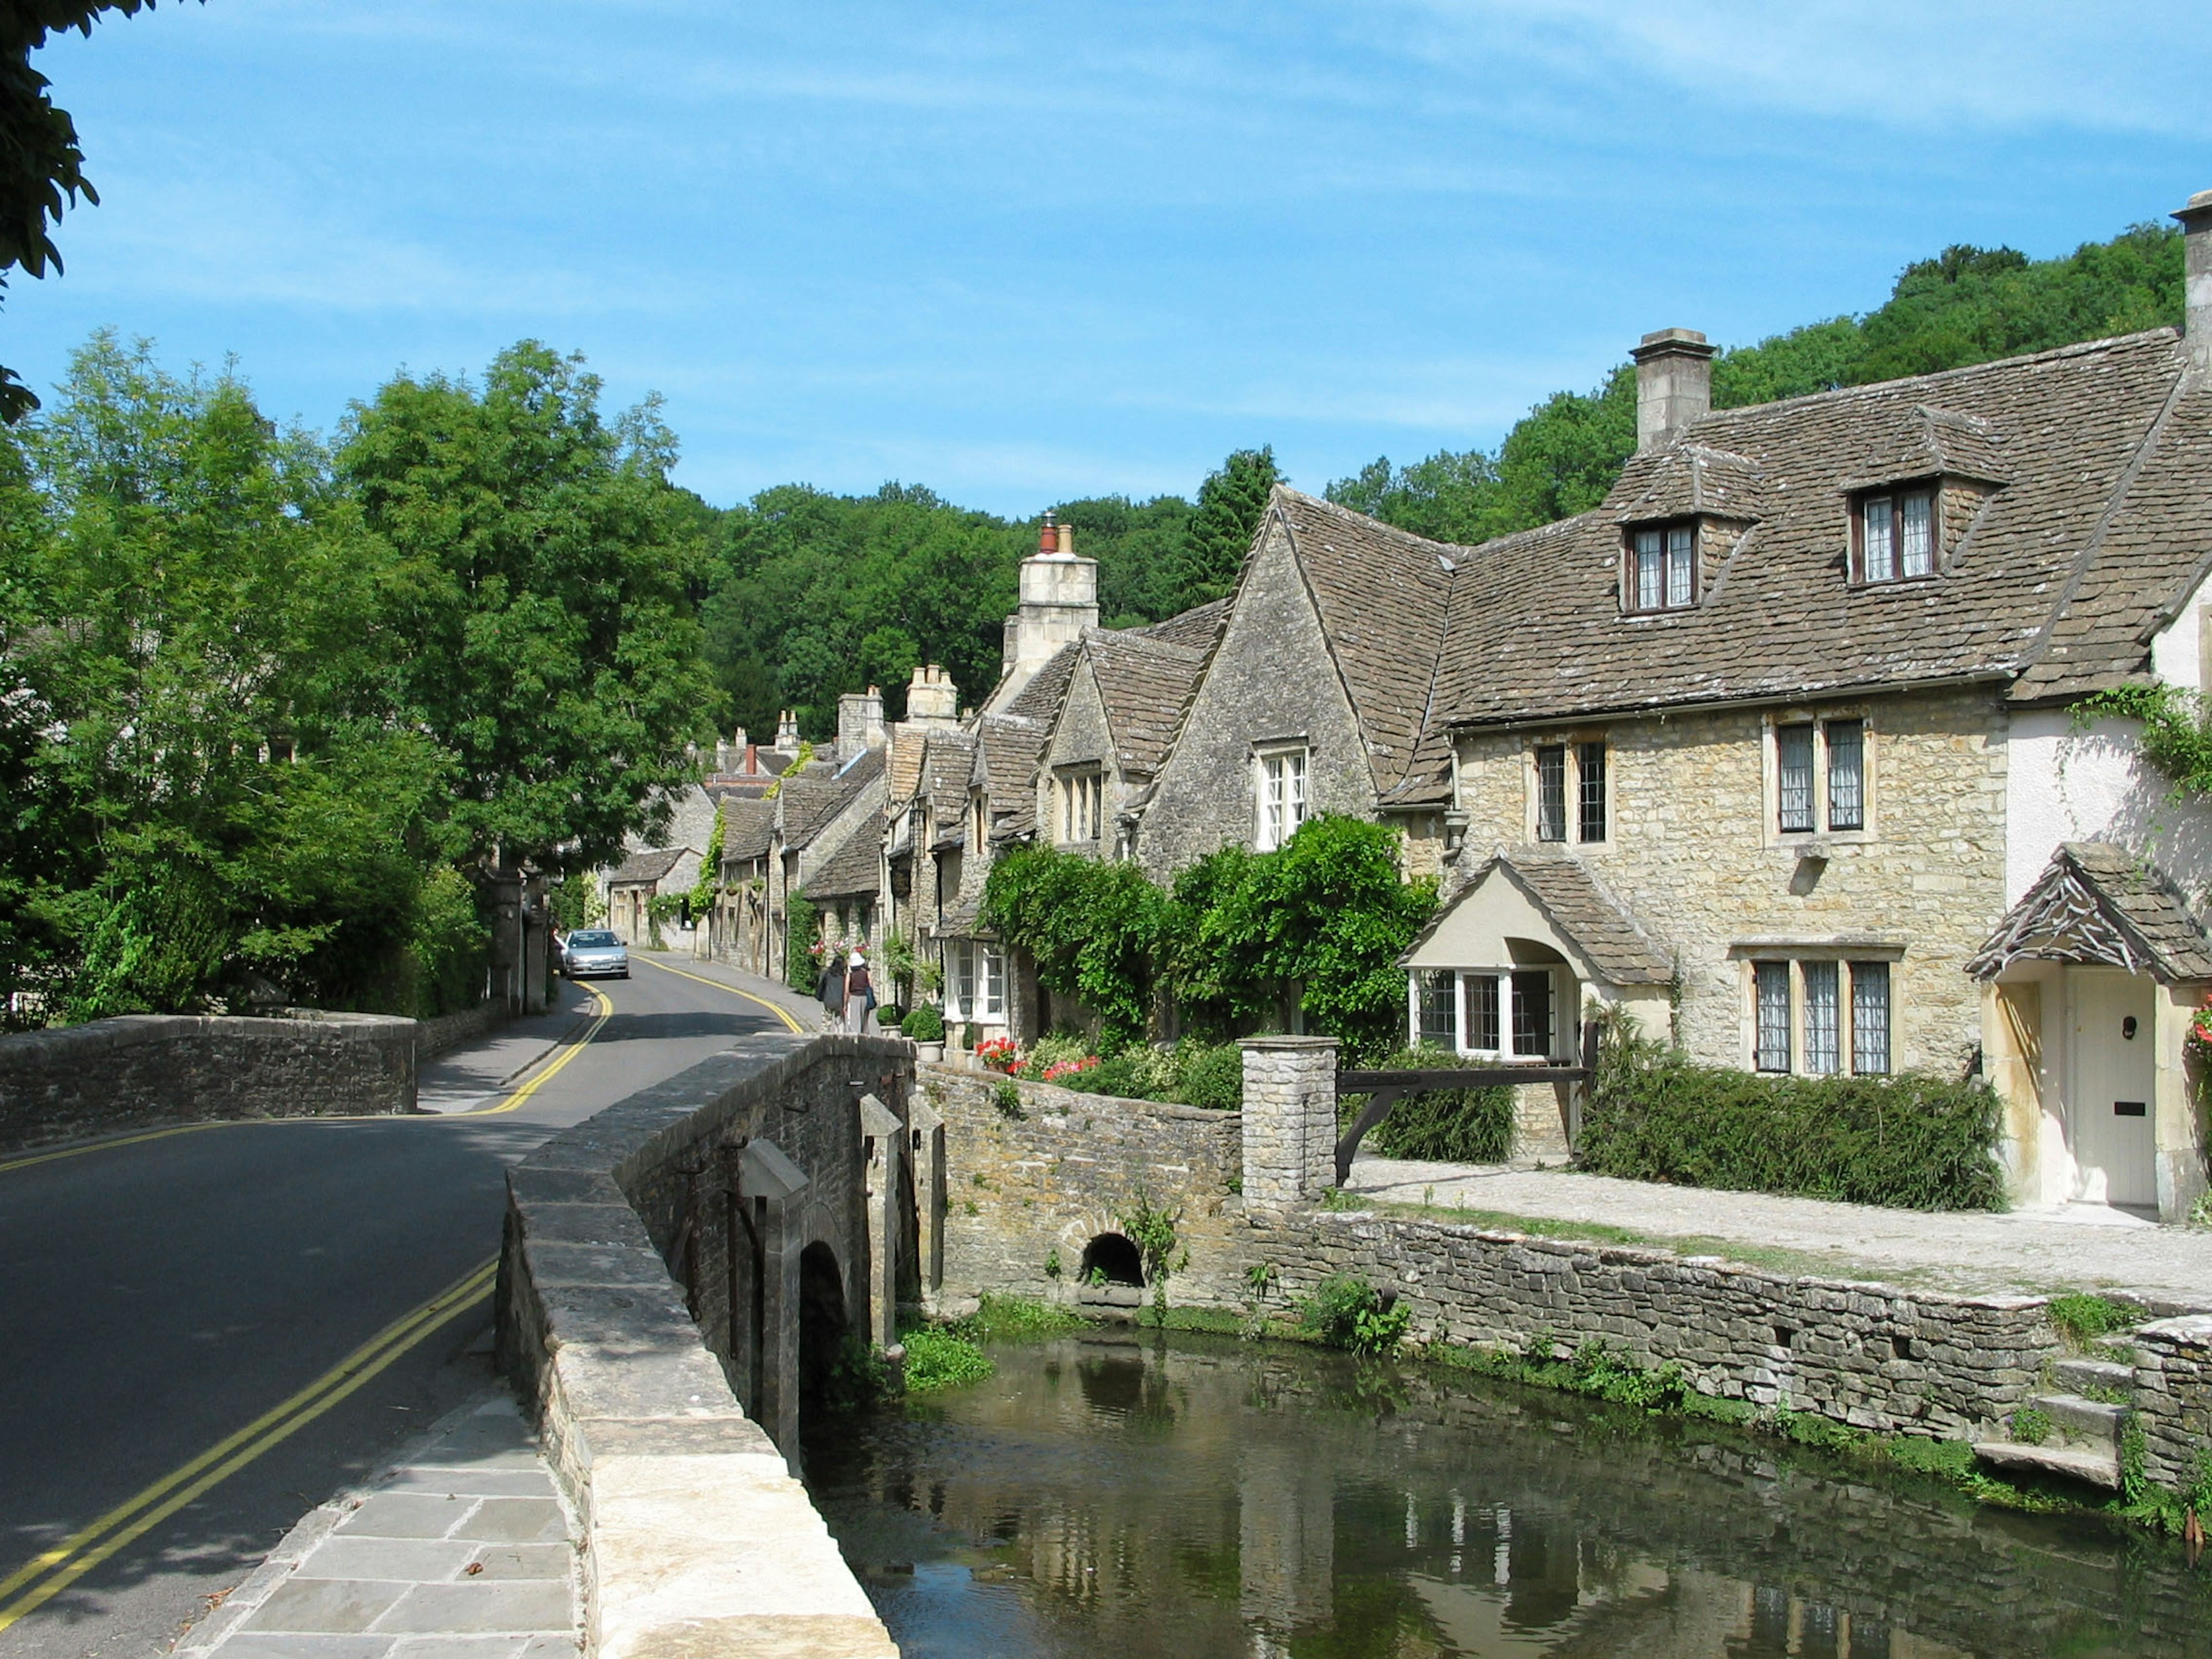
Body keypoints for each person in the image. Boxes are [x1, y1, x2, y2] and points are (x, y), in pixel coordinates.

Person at [816, 950, 847, 1032]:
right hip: (840, 1002)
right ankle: (840, 1041)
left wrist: (819, 997)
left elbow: (821, 986)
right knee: (840, 1023)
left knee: (826, 1023)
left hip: (828, 1001)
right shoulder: (844, 977)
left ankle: (824, 1040)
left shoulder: (828, 974)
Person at [844, 948, 873, 1035]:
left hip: (854, 998)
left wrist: (845, 1004)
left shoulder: (850, 975)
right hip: (865, 997)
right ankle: (865, 1038)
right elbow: (871, 986)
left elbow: (846, 991)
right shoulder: (867, 973)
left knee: (855, 1020)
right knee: (865, 1021)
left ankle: (856, 1040)